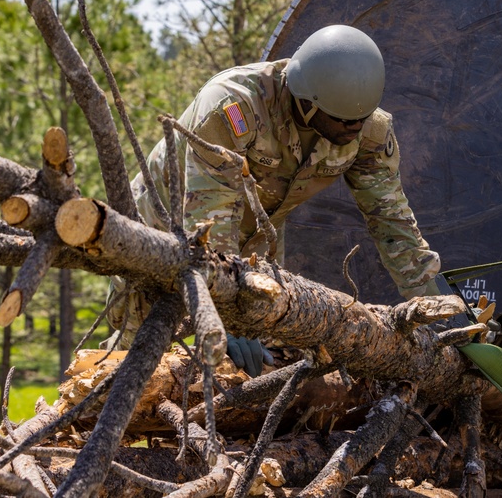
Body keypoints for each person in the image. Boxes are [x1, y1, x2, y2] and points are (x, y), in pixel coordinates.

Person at [107, 24, 442, 373]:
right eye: (342, 119)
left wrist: (438, 304)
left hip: (256, 237)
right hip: (163, 225)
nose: (353, 128)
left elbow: (392, 221)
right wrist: (227, 314)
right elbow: (209, 222)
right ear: (308, 100)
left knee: (266, 358)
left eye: (361, 118)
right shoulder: (233, 107)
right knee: (136, 352)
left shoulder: (367, 130)